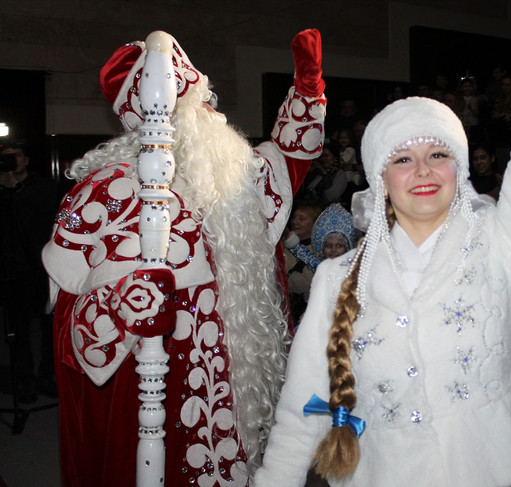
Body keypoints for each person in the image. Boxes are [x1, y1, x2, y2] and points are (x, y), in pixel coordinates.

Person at [255, 1, 511, 485]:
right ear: (380, 182)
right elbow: (301, 409)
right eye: (402, 158)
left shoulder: (503, 248)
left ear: (459, 171)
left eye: (438, 153)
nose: (421, 169)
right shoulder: (336, 277)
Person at [41, 29, 326, 486]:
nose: (210, 114)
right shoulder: (105, 193)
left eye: (203, 101)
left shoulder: (237, 174)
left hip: (238, 376)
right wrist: (127, 305)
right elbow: (69, 326)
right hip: (161, 385)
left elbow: (289, 158)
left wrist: (307, 90)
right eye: (195, 105)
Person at [0, 141, 58, 403]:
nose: (11, 163)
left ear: (26, 160)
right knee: (19, 330)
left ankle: (48, 376)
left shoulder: (42, 186)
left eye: (15, 157)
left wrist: (18, 188)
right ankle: (24, 380)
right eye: (5, 159)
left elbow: (46, 209)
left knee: (49, 327)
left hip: (42, 266)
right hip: (13, 267)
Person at [284, 203, 361, 273]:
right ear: (322, 249)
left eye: (339, 246)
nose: (333, 250)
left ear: (347, 248)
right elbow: (303, 253)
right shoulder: (321, 268)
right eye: (328, 246)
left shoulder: (356, 270)